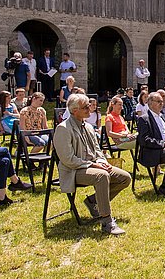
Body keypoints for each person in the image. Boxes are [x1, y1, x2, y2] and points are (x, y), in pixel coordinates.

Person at [54, 93, 131, 235]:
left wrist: (102, 161)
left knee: (125, 177)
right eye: (85, 107)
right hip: (73, 171)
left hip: (93, 166)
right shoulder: (63, 129)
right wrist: (93, 165)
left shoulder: (88, 127)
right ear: (74, 110)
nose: (90, 109)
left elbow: (97, 150)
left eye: (89, 105)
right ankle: (107, 221)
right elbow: (68, 159)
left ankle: (93, 201)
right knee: (102, 176)